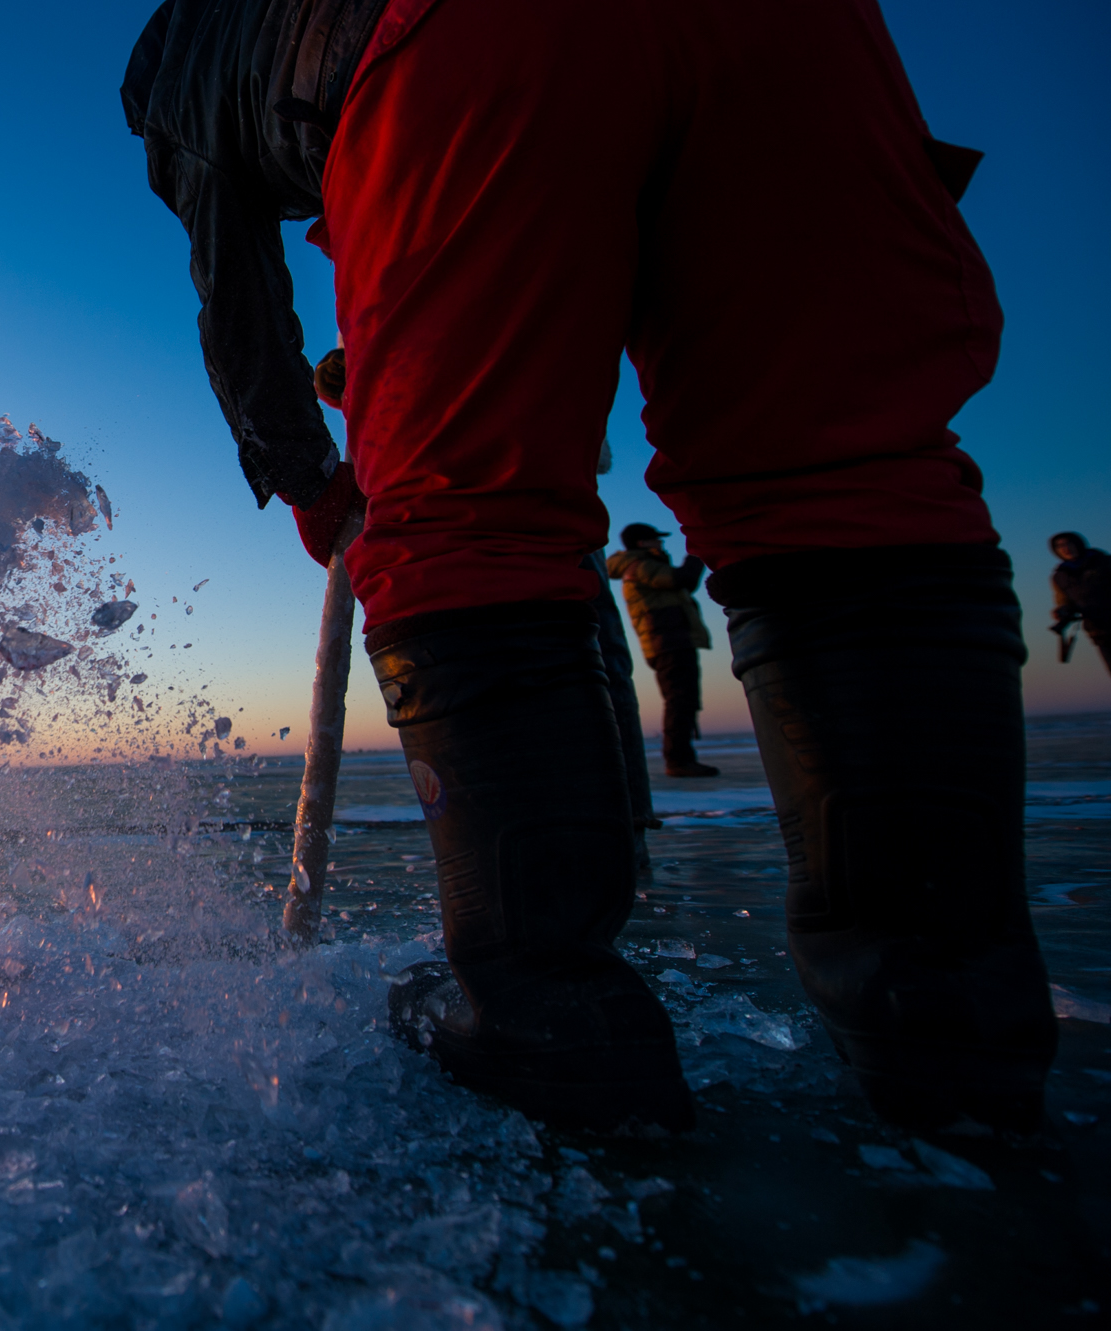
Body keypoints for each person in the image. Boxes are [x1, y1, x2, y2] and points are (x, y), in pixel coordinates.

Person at [125, 0, 1054, 1132]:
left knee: (464, 517)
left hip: (476, 42)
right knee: (838, 473)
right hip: (798, 34)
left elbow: (237, 290)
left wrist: (318, 485)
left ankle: (550, 1028)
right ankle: (945, 1023)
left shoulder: (176, 64)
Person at [608, 523, 718, 778]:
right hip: (668, 641)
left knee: (683, 698)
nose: (661, 543)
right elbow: (682, 580)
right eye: (656, 539)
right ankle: (678, 760)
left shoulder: (643, 564)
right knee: (680, 699)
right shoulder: (640, 565)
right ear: (642, 543)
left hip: (669, 640)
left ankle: (682, 758)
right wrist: (697, 553)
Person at [1050, 532, 1111, 674]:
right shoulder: (1060, 576)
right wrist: (1061, 612)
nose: (1065, 548)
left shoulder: (1103, 562)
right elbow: (1064, 601)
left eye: (1068, 543)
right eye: (1059, 546)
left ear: (1078, 544)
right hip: (1098, 630)